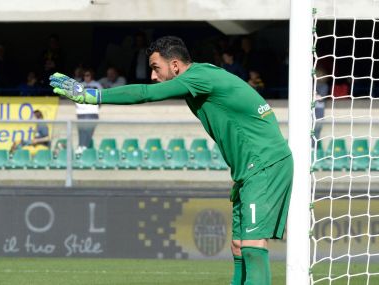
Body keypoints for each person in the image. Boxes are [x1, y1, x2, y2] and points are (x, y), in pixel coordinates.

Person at [49, 36, 293, 285]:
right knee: (239, 246)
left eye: (156, 68)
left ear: (175, 65)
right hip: (250, 169)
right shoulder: (204, 75)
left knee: (252, 246)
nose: (153, 76)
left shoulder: (198, 77)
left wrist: (92, 96)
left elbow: (146, 93)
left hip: (264, 165)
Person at [75, 68, 101, 154]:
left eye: (88, 75)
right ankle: (80, 146)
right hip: (81, 113)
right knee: (81, 131)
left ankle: (84, 147)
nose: (86, 77)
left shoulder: (97, 85)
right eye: (84, 75)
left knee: (89, 131)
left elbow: (101, 97)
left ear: (91, 76)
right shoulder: (80, 85)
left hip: (92, 112)